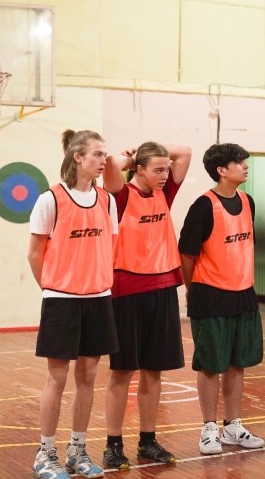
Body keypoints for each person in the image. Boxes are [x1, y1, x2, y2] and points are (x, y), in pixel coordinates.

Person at [28, 129, 120, 479]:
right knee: (57, 377)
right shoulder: (50, 199)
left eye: (105, 154)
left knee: (88, 377)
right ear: (78, 157)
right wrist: (52, 289)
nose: (103, 160)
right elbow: (34, 254)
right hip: (62, 300)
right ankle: (45, 453)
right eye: (97, 154)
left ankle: (77, 451)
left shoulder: (107, 200)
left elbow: (109, 248)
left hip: (98, 298)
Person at [101, 142, 192, 469]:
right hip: (127, 290)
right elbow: (110, 164)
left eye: (167, 169)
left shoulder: (164, 193)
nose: (166, 174)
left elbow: (185, 152)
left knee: (154, 371)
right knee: (123, 371)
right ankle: (113, 444)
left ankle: (148, 440)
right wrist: (130, 157)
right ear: (139, 169)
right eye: (158, 169)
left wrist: (149, 149)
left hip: (163, 288)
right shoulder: (121, 196)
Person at [178, 143, 265, 455]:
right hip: (210, 295)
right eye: (239, 162)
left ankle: (233, 426)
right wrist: (193, 289)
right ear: (221, 170)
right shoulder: (203, 206)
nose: (245, 166)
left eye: (244, 161)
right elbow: (186, 254)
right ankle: (209, 429)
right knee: (210, 365)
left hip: (244, 294)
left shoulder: (247, 201)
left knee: (237, 363)